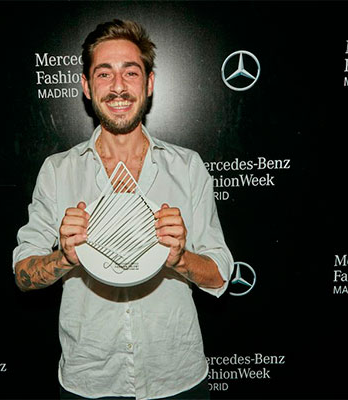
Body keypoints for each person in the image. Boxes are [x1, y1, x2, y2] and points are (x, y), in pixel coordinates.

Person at [13, 19, 233, 400]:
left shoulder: (187, 167)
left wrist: (180, 258)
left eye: (131, 72)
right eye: (104, 73)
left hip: (175, 380)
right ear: (86, 86)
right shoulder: (58, 171)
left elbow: (219, 275)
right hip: (90, 381)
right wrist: (64, 257)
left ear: (149, 84)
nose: (118, 87)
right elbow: (23, 273)